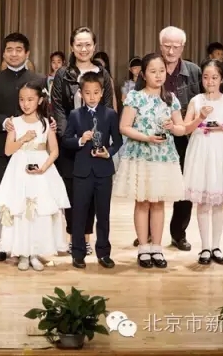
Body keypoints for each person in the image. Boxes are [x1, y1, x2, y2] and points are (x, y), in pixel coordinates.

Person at [0, 32, 54, 263]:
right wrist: (4, 122)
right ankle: (2, 243)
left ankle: (30, 245)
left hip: (33, 151)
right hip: (4, 147)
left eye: (19, 49)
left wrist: (50, 123)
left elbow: (47, 109)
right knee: (4, 196)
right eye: (9, 49)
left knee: (31, 197)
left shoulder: (39, 79)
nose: (14, 54)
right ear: (3, 53)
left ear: (27, 53)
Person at [113, 53, 186, 269]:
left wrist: (173, 127)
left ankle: (157, 247)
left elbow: (181, 129)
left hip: (163, 157)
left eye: (161, 71)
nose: (158, 75)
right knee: (143, 201)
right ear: (144, 75)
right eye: (153, 71)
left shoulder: (170, 98)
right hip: (141, 156)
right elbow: (124, 127)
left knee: (158, 202)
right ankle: (143, 248)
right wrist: (147, 137)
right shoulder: (135, 97)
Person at [50, 26, 114, 255]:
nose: (83, 49)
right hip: (70, 143)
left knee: (92, 196)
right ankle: (73, 238)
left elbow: (108, 107)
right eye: (79, 44)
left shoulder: (103, 74)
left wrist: (99, 137)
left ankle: (86, 238)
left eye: (88, 44)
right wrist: (69, 136)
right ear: (72, 47)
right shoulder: (62, 74)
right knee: (72, 193)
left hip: (95, 144)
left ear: (94, 46)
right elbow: (57, 106)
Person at [0, 81, 69, 271]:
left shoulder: (46, 123)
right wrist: (23, 139)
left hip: (41, 171)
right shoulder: (14, 122)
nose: (25, 104)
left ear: (40, 100)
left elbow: (54, 150)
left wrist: (43, 167)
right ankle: (22, 253)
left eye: (30, 99)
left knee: (39, 211)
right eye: (22, 100)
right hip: (19, 170)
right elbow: (8, 150)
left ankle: (35, 253)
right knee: (20, 210)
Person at [182, 60, 223, 265]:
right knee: (203, 201)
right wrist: (200, 117)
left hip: (222, 151)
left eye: (214, 77)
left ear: (221, 79)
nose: (210, 81)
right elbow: (185, 128)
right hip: (201, 151)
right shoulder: (196, 100)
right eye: (206, 77)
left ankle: (216, 246)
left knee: (218, 202)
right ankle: (204, 247)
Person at [62, 72, 122, 269]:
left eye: (96, 92)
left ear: (102, 92)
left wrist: (108, 152)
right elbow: (66, 140)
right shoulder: (75, 115)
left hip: (103, 171)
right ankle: (78, 253)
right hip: (82, 172)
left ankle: (103, 253)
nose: (92, 97)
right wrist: (81, 140)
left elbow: (118, 142)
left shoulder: (110, 114)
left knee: (103, 215)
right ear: (81, 93)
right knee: (79, 213)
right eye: (87, 93)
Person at [158, 26, 202, 252]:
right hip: (156, 137)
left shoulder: (193, 71)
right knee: (153, 186)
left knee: (185, 188)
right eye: (167, 46)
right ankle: (149, 233)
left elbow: (203, 100)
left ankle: (178, 233)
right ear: (160, 45)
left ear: (183, 47)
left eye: (176, 46)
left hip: (185, 137)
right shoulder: (152, 66)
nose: (171, 51)